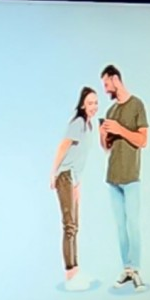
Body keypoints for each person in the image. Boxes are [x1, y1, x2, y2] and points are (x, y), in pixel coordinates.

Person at [100, 64, 149, 287]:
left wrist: (120, 129)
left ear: (115, 79)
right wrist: (103, 134)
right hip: (113, 177)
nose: (105, 89)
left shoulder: (137, 105)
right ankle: (126, 269)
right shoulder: (110, 112)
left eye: (106, 84)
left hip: (131, 176)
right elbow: (106, 148)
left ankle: (136, 269)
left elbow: (143, 140)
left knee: (133, 225)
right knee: (120, 227)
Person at [48, 85, 101, 289]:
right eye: (90, 103)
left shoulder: (89, 125)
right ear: (82, 105)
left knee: (74, 226)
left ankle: (76, 272)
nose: (93, 106)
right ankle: (70, 275)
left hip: (73, 179)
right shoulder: (78, 123)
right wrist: (53, 173)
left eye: (95, 103)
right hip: (64, 176)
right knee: (69, 226)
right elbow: (63, 146)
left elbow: (80, 157)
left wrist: (78, 183)